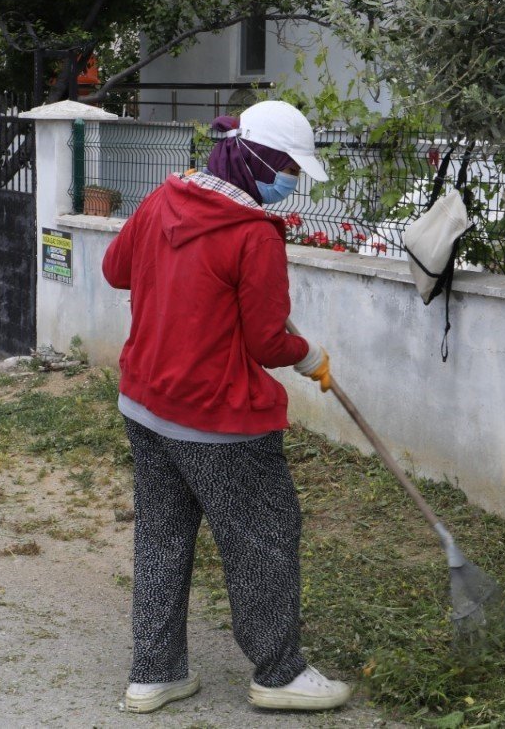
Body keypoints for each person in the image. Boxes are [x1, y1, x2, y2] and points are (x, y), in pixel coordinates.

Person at [102, 100, 351, 714]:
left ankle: (155, 673)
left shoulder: (165, 198)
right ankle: (279, 672)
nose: (291, 182)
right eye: (290, 167)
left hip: (147, 406)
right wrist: (308, 353)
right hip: (218, 420)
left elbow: (115, 269)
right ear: (258, 159)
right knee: (264, 534)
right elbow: (267, 342)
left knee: (162, 536)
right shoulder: (253, 233)